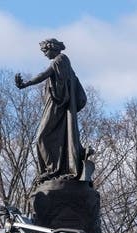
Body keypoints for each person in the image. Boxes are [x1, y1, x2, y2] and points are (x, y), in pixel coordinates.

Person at [14, 38, 87, 182]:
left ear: (52, 49)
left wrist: (26, 84)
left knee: (42, 137)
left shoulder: (60, 60)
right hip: (55, 105)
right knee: (51, 137)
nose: (44, 54)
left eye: (45, 51)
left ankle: (53, 169)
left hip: (57, 106)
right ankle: (54, 169)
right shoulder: (60, 61)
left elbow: (44, 74)